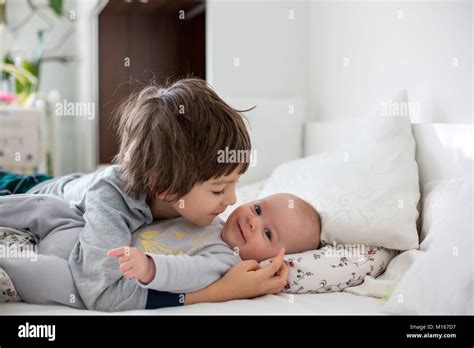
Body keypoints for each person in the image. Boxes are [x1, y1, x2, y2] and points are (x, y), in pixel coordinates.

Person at [0, 78, 289, 311]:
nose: (232, 200)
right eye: (218, 189)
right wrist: (218, 292)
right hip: (23, 188)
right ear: (165, 187)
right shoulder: (111, 200)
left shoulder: (190, 204)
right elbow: (103, 293)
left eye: (236, 183)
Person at [108, 193, 321, 293]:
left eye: (267, 233)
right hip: (109, 242)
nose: (252, 222)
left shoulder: (226, 261)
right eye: (257, 209)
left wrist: (149, 267)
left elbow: (189, 272)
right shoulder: (211, 219)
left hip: (121, 272)